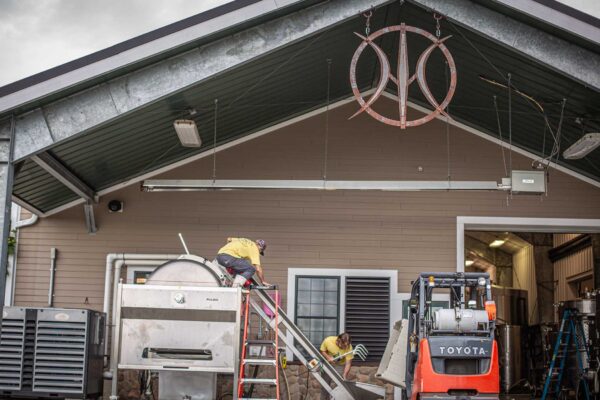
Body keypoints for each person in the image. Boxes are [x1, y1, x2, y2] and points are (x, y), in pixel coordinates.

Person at [319, 332, 353, 399]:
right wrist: (328, 357)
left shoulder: (349, 347)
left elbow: (348, 363)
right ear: (338, 340)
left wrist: (344, 375)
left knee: (339, 386)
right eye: (343, 346)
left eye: (346, 346)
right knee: (325, 386)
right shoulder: (328, 341)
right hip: (328, 364)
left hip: (340, 365)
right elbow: (322, 350)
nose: (345, 348)